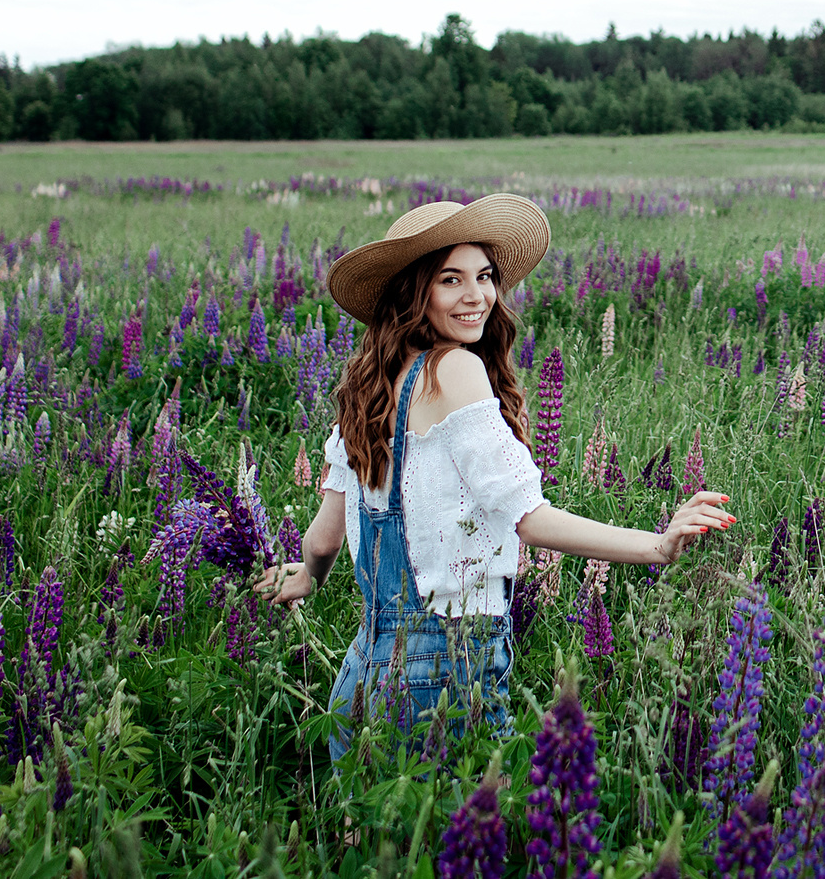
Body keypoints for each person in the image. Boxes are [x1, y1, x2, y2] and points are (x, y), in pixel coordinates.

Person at [253, 194, 731, 762]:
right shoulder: (455, 369)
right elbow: (528, 518)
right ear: (414, 291)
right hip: (445, 668)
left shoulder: (366, 389)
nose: (476, 296)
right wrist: (656, 546)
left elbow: (325, 538)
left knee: (364, 845)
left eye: (484, 276)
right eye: (450, 279)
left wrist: (307, 577)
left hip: (364, 669)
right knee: (469, 836)